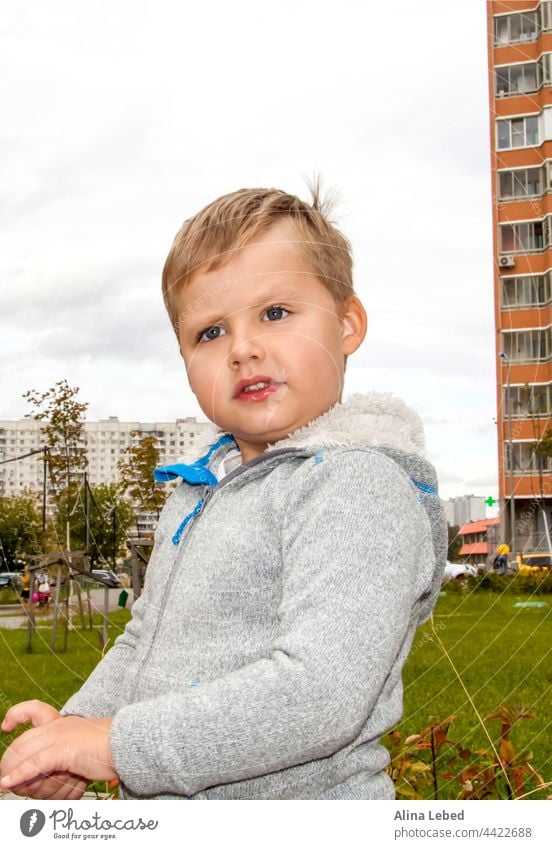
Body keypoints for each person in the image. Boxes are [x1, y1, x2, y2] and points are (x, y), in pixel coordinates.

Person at [0, 184, 447, 800]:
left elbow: (321, 693)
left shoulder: (355, 485)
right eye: (210, 332)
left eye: (275, 313)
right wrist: (75, 733)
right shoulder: (197, 490)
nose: (243, 349)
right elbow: (144, 638)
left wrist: (115, 745)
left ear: (347, 324)